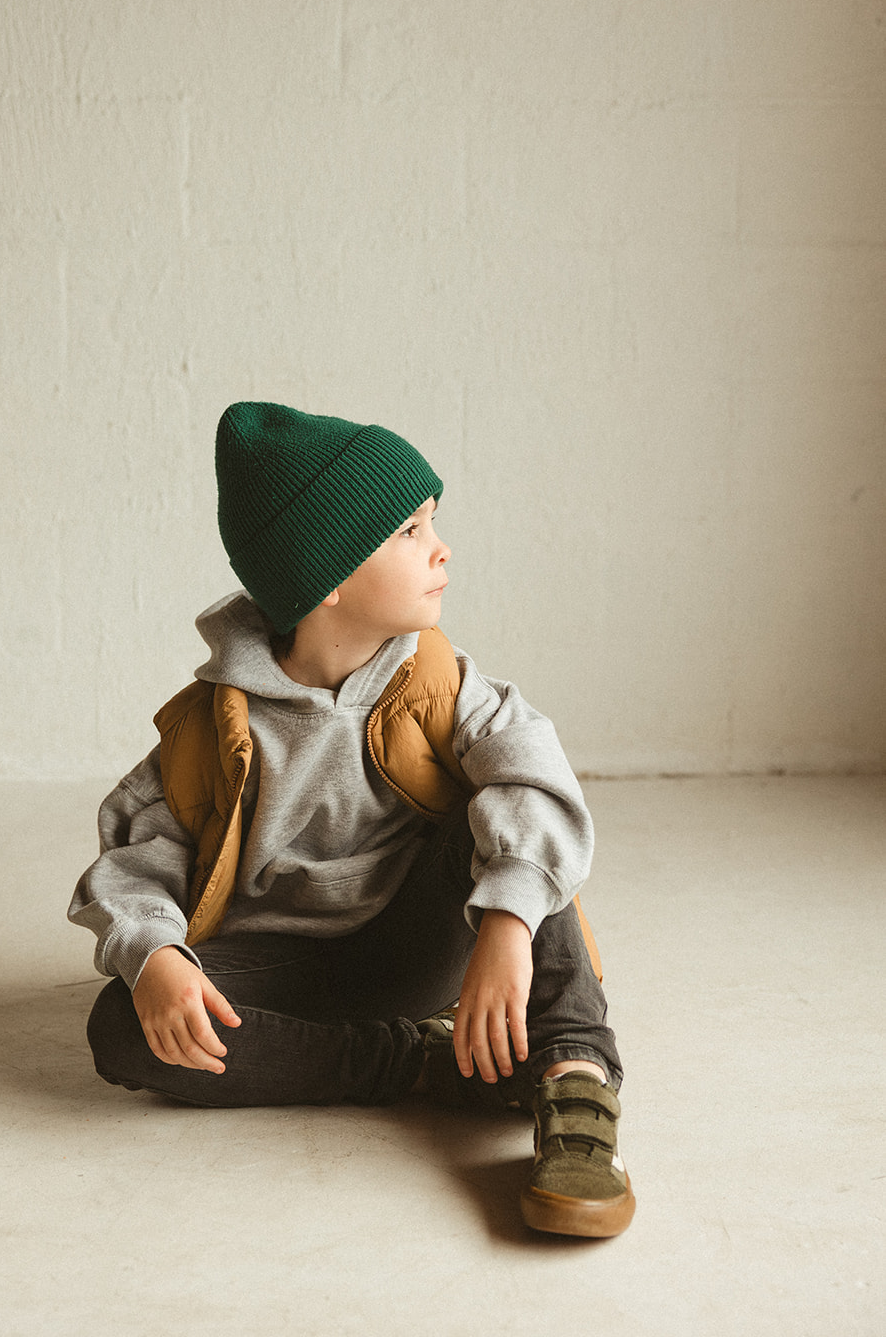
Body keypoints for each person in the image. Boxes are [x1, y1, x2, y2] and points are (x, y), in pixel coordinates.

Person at [68, 401, 635, 1238]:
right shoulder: (207, 732)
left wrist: (509, 923)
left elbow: (535, 778)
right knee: (121, 1030)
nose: (439, 548)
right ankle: (417, 1066)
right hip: (289, 978)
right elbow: (134, 863)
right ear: (325, 574)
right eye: (409, 531)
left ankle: (573, 1077)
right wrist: (154, 958)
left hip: (431, 942)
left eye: (431, 521)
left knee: (510, 824)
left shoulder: (441, 684)